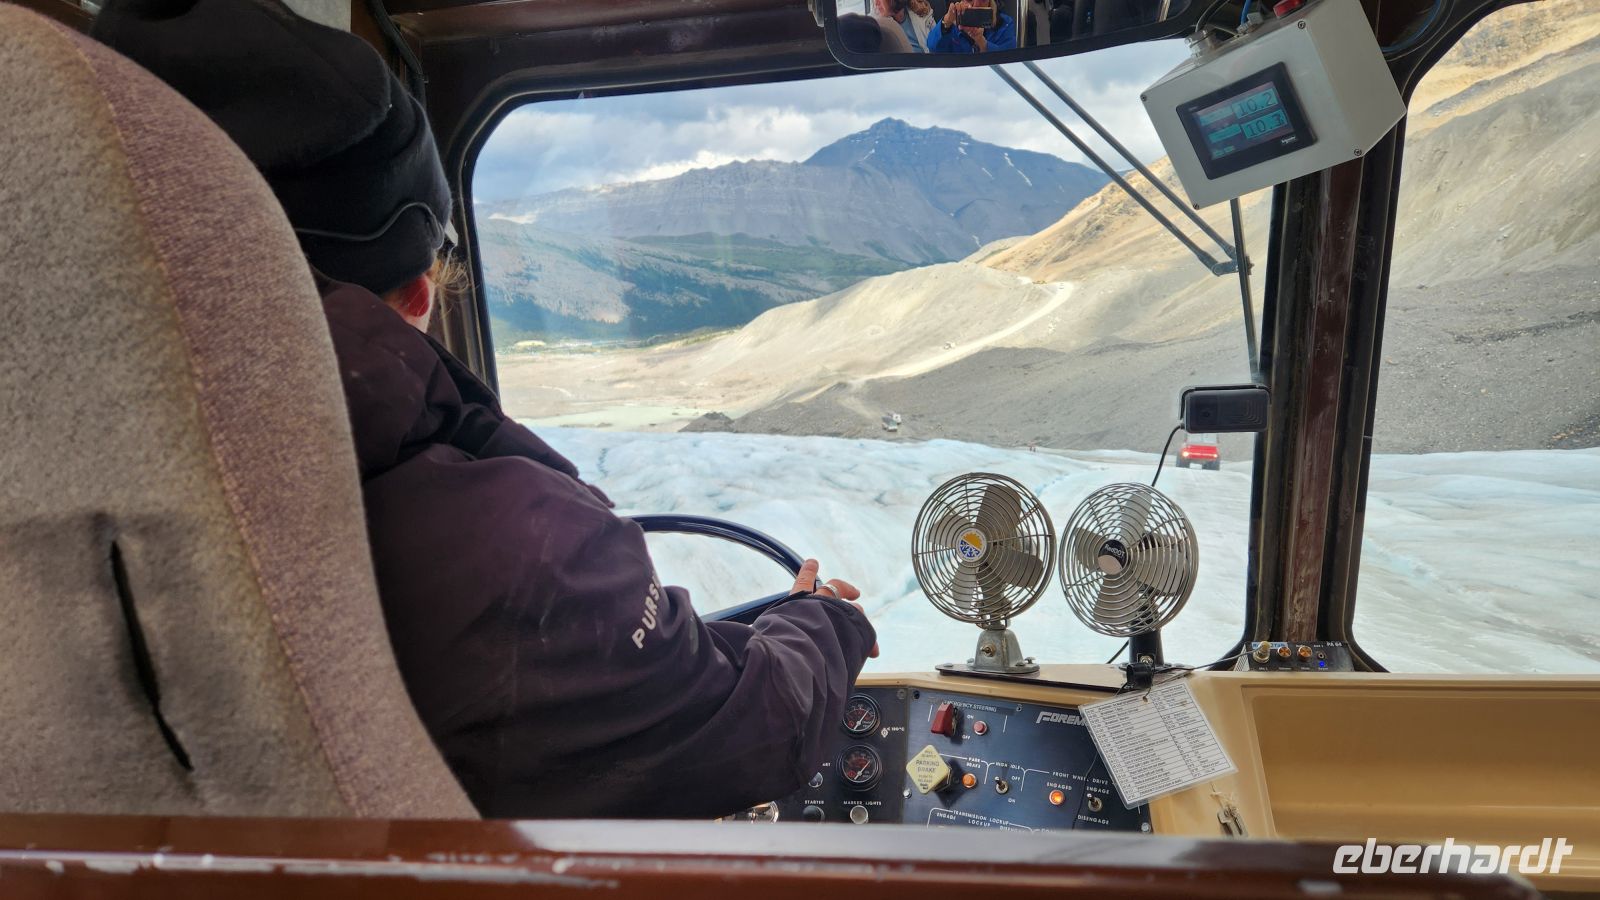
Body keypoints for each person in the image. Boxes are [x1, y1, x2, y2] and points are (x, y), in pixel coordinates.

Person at [92, 0, 878, 820]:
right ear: (421, 288)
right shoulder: (513, 548)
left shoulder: (64, 457)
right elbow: (744, 730)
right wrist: (822, 624)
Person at [928, 0, 1019, 52]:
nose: (975, 5)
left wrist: (981, 41)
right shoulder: (953, 21)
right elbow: (932, 48)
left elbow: (1007, 60)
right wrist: (946, 22)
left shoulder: (1004, 23)